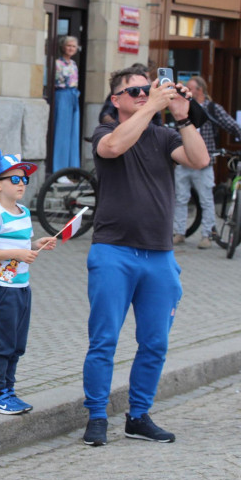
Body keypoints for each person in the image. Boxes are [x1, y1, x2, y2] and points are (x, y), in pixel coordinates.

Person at [81, 66, 209, 447]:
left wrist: (184, 116)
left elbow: (199, 160)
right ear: (116, 99)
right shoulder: (106, 132)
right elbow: (115, 148)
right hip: (113, 252)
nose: (141, 94)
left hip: (159, 256)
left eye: (146, 88)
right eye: (133, 90)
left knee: (155, 342)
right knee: (104, 339)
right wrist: (152, 106)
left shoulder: (164, 134)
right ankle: (97, 415)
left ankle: (138, 416)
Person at [0, 152, 56, 415]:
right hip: (2, 287)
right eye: (14, 179)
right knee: (3, 341)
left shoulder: (23, 212)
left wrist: (37, 244)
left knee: (17, 343)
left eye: (25, 179)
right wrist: (17, 254)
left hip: (22, 286)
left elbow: (23, 245)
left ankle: (8, 391)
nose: (21, 183)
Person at [174, 76, 241, 248]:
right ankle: (179, 232)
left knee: (206, 200)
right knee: (180, 199)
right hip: (184, 161)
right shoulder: (182, 107)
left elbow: (232, 125)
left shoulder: (212, 108)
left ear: (200, 90)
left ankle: (207, 235)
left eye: (190, 87)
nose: (186, 90)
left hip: (204, 163)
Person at [52, 35, 81, 171]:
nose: (71, 48)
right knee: (61, 133)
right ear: (63, 47)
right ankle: (59, 169)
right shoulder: (56, 63)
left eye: (74, 46)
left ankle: (71, 168)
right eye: (69, 45)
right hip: (62, 96)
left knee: (73, 133)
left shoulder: (73, 64)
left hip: (73, 96)